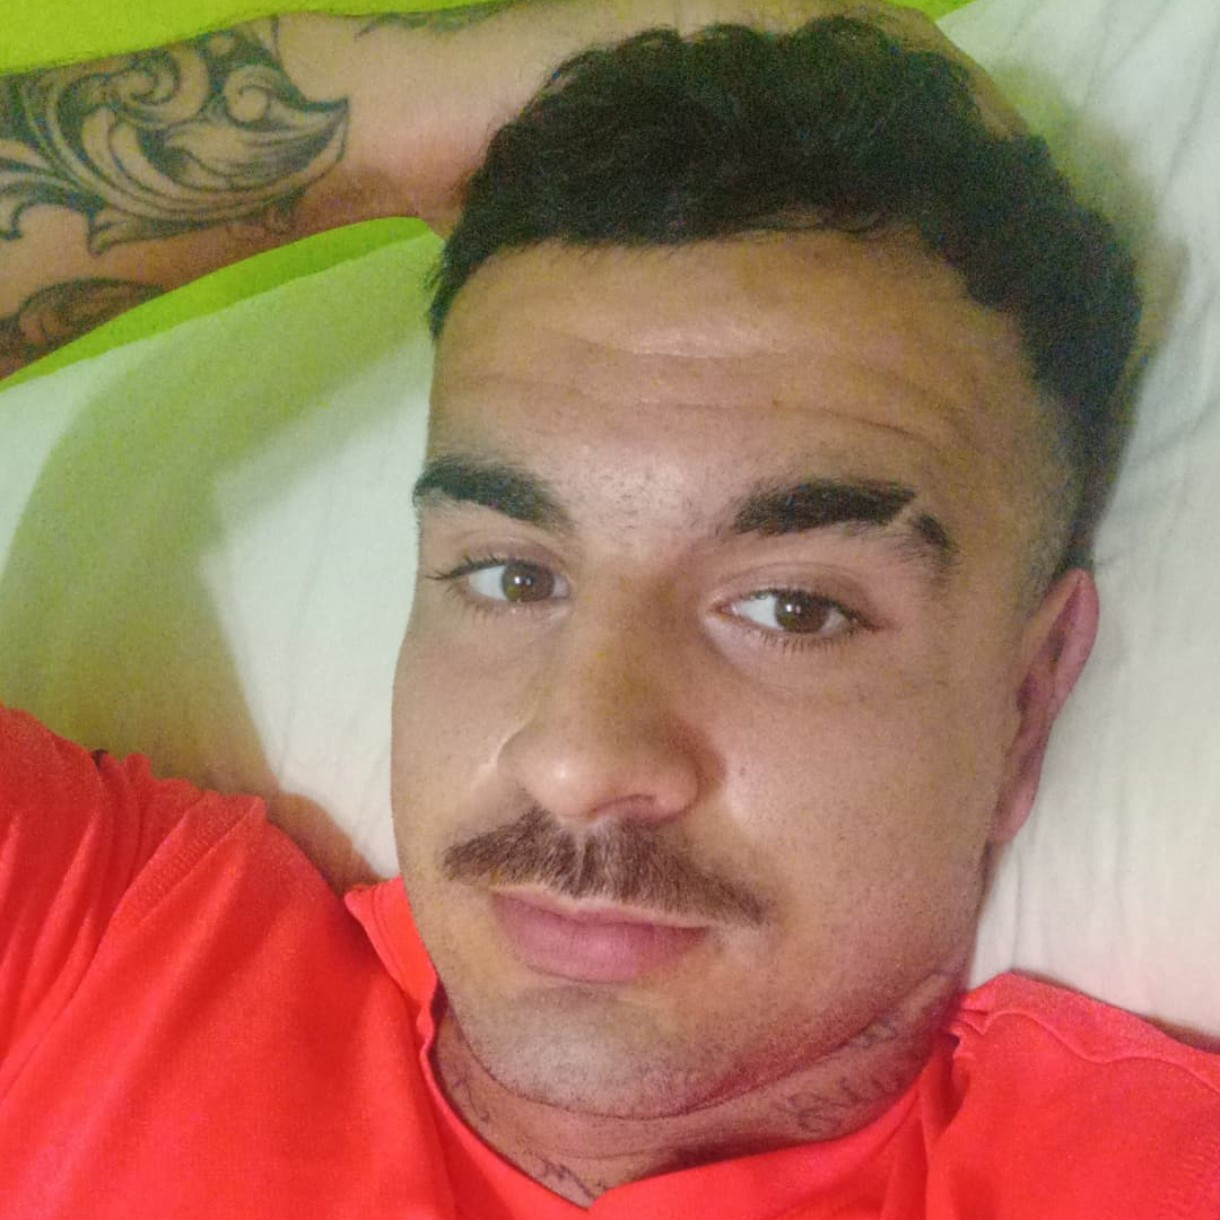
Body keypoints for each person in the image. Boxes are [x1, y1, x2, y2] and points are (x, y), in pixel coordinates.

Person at [1, 2, 1217, 1216]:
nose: (578, 761)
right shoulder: (111, 956)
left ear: (1024, 701)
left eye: (792, 607)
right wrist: (374, 111)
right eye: (510, 575)